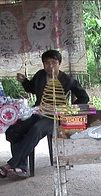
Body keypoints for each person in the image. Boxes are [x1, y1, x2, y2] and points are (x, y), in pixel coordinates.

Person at [0, 49, 89, 179]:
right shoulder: (41, 75)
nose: (50, 66)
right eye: (47, 63)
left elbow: (84, 98)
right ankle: (22, 167)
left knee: (36, 129)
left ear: (59, 63)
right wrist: (24, 81)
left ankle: (12, 165)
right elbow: (31, 88)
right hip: (37, 111)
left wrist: (65, 110)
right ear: (43, 65)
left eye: (54, 62)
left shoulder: (67, 80)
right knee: (13, 130)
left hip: (54, 117)